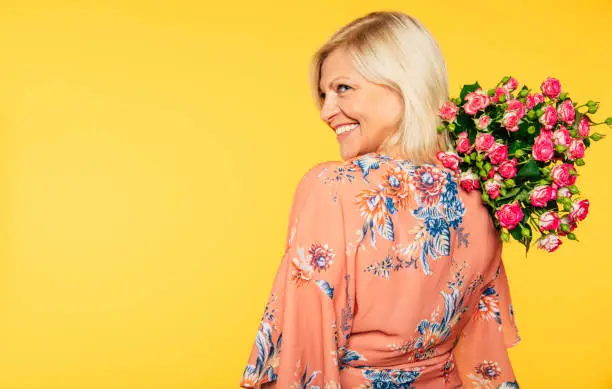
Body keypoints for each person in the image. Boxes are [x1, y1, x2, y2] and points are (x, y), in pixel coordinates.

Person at [239, 11, 520, 389]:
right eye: (324, 94)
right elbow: (482, 345)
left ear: (402, 83)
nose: (325, 112)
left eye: (343, 88)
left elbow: (304, 352)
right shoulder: (480, 192)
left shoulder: (332, 187)